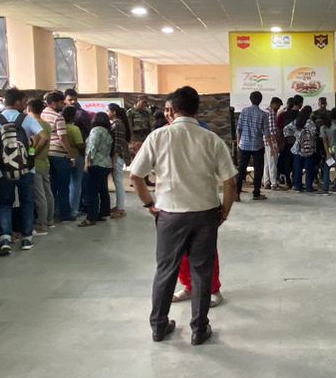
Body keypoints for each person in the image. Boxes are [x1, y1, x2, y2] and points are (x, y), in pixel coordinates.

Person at [129, 86, 237, 346]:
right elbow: (230, 181)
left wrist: (149, 204)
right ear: (197, 109)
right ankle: (199, 328)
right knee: (202, 271)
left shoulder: (158, 137)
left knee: (166, 270)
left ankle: (159, 326)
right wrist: (224, 212)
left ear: (172, 110)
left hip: (169, 215)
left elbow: (136, 175)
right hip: (205, 215)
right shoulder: (211, 139)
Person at [0, 89, 36, 254]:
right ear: (17, 102)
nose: (24, 105)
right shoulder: (26, 119)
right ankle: (27, 238)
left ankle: (5, 237)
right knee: (27, 202)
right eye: (23, 101)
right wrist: (31, 154)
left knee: (5, 203)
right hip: (26, 169)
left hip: (3, 169)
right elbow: (43, 137)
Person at [42, 92, 78, 222]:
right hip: (60, 155)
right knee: (63, 186)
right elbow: (63, 138)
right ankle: (64, 214)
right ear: (53, 103)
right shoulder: (58, 117)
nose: (63, 105)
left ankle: (51, 213)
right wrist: (70, 154)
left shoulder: (41, 115)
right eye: (61, 103)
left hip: (46, 154)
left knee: (51, 186)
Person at [25, 97, 55, 232]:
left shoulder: (33, 124)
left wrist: (31, 154)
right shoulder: (46, 124)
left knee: (39, 195)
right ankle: (50, 220)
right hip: (44, 161)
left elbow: (33, 144)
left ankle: (41, 224)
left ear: (29, 109)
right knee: (48, 192)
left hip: (35, 163)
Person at [234, 90, 269, 200]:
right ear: (260, 100)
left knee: (241, 169)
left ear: (250, 99)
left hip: (244, 145)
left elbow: (238, 129)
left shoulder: (244, 111)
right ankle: (256, 193)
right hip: (257, 146)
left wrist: (238, 143)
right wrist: (271, 147)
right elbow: (266, 133)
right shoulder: (263, 114)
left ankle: (237, 194)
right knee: (258, 170)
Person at [80, 114, 114, 226]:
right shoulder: (108, 132)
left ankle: (91, 217)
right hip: (106, 164)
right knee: (103, 190)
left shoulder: (96, 130)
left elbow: (92, 146)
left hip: (96, 163)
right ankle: (103, 213)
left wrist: (87, 162)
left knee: (91, 191)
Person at [107, 102, 132, 217]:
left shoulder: (117, 124)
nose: (107, 113)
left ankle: (121, 209)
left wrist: (113, 160)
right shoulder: (118, 123)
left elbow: (117, 144)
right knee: (117, 181)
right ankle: (119, 206)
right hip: (118, 156)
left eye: (108, 111)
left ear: (114, 112)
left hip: (118, 156)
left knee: (118, 182)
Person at [291, 105, 321, 193]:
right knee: (309, 168)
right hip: (309, 148)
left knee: (298, 168)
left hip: (297, 148)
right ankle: (309, 187)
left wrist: (296, 136)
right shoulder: (310, 123)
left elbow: (286, 130)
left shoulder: (296, 122)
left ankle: (298, 186)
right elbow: (314, 133)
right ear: (309, 113)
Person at [263, 96, 282, 189]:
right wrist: (274, 143)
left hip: (265, 140)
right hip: (271, 140)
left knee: (267, 162)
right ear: (274, 103)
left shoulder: (265, 111)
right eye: (278, 105)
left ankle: (266, 181)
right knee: (273, 162)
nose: (278, 107)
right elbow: (271, 129)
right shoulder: (271, 112)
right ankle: (273, 183)